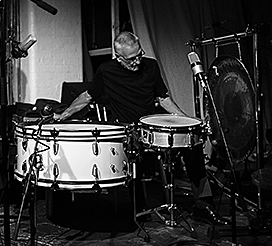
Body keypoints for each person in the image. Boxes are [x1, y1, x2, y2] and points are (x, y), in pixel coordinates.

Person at [55, 31, 229, 226]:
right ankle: (140, 209)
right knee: (131, 154)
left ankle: (203, 205)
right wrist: (64, 114)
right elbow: (88, 96)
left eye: (139, 55)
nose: (137, 61)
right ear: (118, 58)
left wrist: (187, 121)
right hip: (129, 128)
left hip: (154, 124)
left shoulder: (151, 65)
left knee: (193, 144)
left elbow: (162, 98)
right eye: (131, 60)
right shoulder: (106, 71)